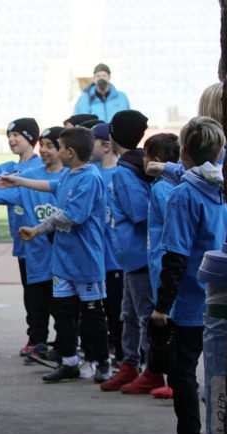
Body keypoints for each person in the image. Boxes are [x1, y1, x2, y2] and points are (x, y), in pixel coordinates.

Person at [144, 116, 227, 434]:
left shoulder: (184, 195)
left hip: (191, 301)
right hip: (218, 295)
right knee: (216, 375)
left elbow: (175, 256)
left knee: (182, 373)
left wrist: (163, 306)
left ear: (183, 151)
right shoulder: (220, 187)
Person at [0, 127, 109, 383]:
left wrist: (37, 229)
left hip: (86, 260)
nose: (55, 152)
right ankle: (68, 361)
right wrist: (20, 180)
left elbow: (70, 215)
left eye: (58, 147)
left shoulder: (90, 178)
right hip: (64, 260)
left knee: (92, 314)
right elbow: (51, 185)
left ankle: (102, 361)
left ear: (70, 152)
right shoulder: (71, 174)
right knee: (63, 311)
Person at [0, 127, 65, 366]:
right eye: (45, 145)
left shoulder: (73, 177)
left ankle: (67, 347)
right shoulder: (29, 177)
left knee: (64, 307)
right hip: (37, 255)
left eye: (52, 146)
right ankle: (40, 342)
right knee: (37, 301)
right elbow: (2, 189)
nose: (46, 150)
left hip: (65, 258)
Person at [100, 110, 166, 394]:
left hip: (140, 256)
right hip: (130, 257)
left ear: (113, 135)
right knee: (128, 313)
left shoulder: (126, 172)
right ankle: (130, 363)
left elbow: (140, 213)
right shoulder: (131, 165)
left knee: (143, 314)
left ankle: (153, 369)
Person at [143, 133, 180, 400]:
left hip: (162, 261)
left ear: (155, 160)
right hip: (158, 259)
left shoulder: (162, 187)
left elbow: (171, 223)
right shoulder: (166, 184)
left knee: (167, 319)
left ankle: (174, 378)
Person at [90, 122, 124, 370]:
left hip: (116, 258)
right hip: (95, 257)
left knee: (118, 311)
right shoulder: (91, 174)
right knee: (97, 312)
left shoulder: (122, 174)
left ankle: (124, 355)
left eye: (93, 141)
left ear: (107, 145)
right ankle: (104, 354)